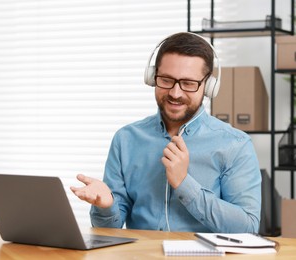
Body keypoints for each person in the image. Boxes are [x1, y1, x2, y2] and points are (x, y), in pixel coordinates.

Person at [71, 32, 262, 233]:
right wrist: (106, 205)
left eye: (188, 83)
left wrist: (184, 183)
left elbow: (247, 227)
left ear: (208, 86)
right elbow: (109, 230)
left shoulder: (235, 145)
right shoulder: (126, 139)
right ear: (152, 77)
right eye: (166, 80)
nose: (175, 93)